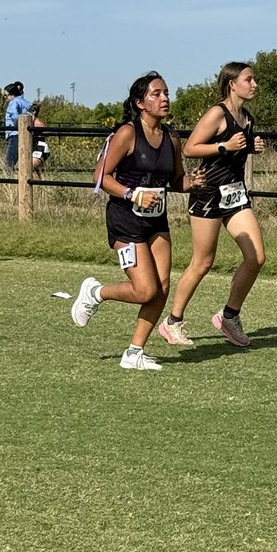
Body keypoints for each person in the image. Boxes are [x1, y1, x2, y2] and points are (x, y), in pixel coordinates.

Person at [69, 72, 203, 371]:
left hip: (157, 220)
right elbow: (100, 177)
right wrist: (132, 194)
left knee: (163, 287)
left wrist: (192, 182)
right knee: (145, 290)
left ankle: (134, 353)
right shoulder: (127, 133)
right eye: (156, 94)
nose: (165, 98)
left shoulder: (171, 137)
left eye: (166, 92)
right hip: (124, 218)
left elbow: (176, 180)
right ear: (140, 103)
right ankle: (95, 292)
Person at [159, 61, 266, 348]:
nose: (254, 84)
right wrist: (224, 146)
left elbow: (235, 150)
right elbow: (191, 148)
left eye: (254, 80)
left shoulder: (247, 117)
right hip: (208, 193)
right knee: (203, 262)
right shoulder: (217, 114)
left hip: (235, 194)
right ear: (233, 84)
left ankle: (229, 316)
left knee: (256, 258)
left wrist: (250, 147)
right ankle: (173, 322)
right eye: (249, 79)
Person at [3, 80, 31, 172]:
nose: (5, 98)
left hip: (14, 134)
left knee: (9, 163)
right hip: (25, 134)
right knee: (24, 160)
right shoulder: (24, 102)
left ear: (11, 95)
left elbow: (15, 117)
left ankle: (8, 182)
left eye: (6, 95)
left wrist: (17, 124)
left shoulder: (13, 102)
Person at [30, 102, 50, 178]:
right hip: (34, 147)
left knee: (32, 165)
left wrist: (38, 134)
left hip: (40, 147)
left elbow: (47, 132)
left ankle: (37, 185)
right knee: (33, 170)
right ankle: (38, 186)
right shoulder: (30, 121)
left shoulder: (37, 122)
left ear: (34, 112)